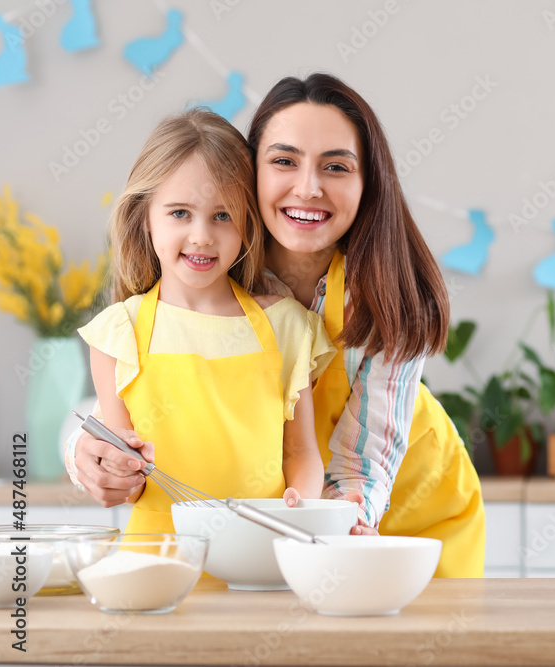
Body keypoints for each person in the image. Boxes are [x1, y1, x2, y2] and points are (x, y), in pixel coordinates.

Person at [69, 74, 486, 576]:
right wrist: (86, 456)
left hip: (409, 520)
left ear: (367, 182)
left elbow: (362, 462)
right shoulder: (215, 267)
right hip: (290, 535)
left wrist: (329, 525)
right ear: (249, 175)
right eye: (284, 161)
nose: (308, 188)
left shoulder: (388, 289)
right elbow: (137, 406)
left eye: (336, 166)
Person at [76, 109, 332, 534]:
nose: (202, 236)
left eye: (223, 215)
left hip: (261, 549)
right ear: (145, 216)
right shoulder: (117, 333)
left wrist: (299, 507)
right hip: (158, 560)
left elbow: (301, 452)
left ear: (248, 224)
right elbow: (132, 483)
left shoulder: (287, 326)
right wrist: (118, 471)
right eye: (179, 213)